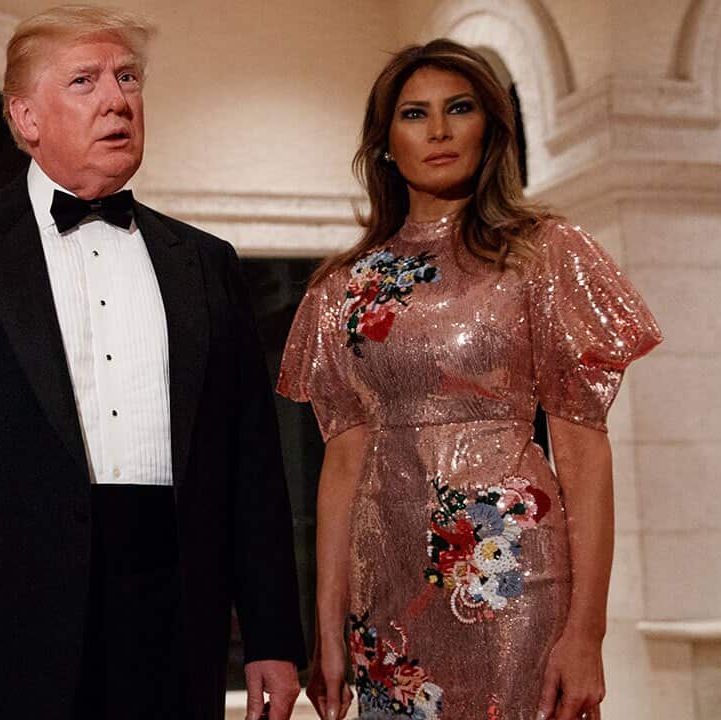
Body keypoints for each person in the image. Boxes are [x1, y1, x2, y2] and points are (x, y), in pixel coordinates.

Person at [0, 6, 306, 720]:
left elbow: (250, 465)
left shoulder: (206, 264)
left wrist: (274, 633)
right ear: (25, 118)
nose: (117, 99)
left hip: (173, 622)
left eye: (127, 78)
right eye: (84, 80)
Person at [278, 39, 662, 720]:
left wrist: (587, 633)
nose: (440, 129)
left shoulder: (544, 251)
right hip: (385, 583)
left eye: (459, 108)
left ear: (491, 127)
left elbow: (582, 452)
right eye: (414, 113)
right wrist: (327, 625)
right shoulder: (344, 286)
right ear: (385, 143)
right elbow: (341, 464)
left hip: (514, 575)